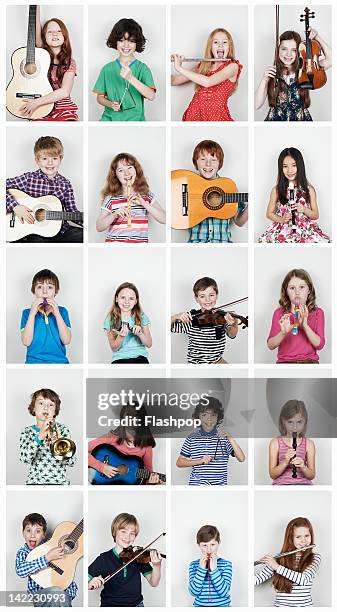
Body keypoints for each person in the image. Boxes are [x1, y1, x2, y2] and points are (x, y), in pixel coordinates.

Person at [6, 136, 83, 242]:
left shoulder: (65, 184)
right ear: (37, 161)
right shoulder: (28, 179)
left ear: (61, 159)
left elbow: (71, 211)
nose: (50, 163)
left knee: (83, 235)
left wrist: (87, 219)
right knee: (37, 242)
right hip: (35, 232)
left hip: (61, 231)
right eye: (45, 159)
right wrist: (15, 207)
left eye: (54, 158)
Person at [179, 140, 248, 243]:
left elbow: (239, 221)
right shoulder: (188, 185)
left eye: (213, 159)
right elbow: (178, 219)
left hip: (223, 244)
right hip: (196, 245)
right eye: (203, 159)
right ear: (195, 162)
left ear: (220, 163)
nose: (208, 164)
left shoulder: (229, 187)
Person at [255, 29, 332, 121]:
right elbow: (256, 105)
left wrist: (317, 37)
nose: (288, 54)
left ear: (299, 52)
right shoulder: (272, 73)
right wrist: (264, 80)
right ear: (278, 50)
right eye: (284, 49)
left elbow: (331, 60)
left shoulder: (306, 70)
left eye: (294, 50)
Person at [88, 513, 162, 607]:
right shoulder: (104, 559)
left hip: (136, 605)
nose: (128, 537)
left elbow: (154, 582)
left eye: (132, 533)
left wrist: (157, 565)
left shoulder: (138, 556)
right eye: (123, 531)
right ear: (114, 532)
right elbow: (85, 582)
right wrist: (90, 583)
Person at [258, 147, 330, 243]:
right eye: (285, 166)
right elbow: (269, 213)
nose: (289, 170)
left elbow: (315, 215)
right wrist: (282, 219)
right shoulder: (276, 190)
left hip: (304, 229)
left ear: (300, 166)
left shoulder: (309, 189)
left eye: (293, 165)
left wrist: (304, 209)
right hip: (283, 229)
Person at [19, 6, 78, 120]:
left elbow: (64, 91)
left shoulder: (70, 62)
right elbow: (35, 23)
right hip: (40, 109)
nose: (54, 34)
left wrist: (36, 102)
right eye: (50, 32)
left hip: (63, 110)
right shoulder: (40, 56)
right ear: (44, 37)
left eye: (59, 31)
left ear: (64, 36)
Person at [171, 28, 242, 121]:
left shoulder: (233, 67)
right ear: (211, 47)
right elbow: (174, 81)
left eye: (224, 42)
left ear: (230, 46)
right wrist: (176, 62)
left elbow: (208, 82)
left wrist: (179, 68)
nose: (220, 45)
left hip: (216, 117)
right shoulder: (203, 66)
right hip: (193, 115)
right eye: (216, 42)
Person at [93, 18, 156, 121]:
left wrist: (131, 78)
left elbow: (151, 96)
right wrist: (110, 104)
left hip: (135, 121)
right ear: (115, 41)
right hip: (109, 120)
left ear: (137, 43)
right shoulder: (107, 69)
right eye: (121, 40)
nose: (126, 45)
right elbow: (100, 98)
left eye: (131, 41)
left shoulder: (143, 69)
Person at [96, 152, 165, 243]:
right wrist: (114, 215)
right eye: (121, 170)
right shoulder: (111, 198)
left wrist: (144, 204)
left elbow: (164, 219)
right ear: (115, 175)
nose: (127, 173)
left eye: (129, 168)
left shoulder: (146, 194)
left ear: (136, 170)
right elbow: (99, 227)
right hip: (114, 246)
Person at [176, 396, 245, 485]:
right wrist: (200, 461)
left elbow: (241, 458)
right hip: (197, 487)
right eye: (204, 415)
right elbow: (179, 462)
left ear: (218, 417)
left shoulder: (224, 438)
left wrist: (230, 438)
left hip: (219, 489)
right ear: (198, 417)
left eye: (213, 415)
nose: (209, 419)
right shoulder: (192, 437)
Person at [88, 404, 163, 484]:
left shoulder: (146, 445)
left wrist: (150, 482)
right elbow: (82, 452)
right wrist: (102, 467)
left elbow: (146, 476)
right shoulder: (112, 437)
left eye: (135, 415)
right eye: (128, 414)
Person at [171, 277, 239, 364]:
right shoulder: (191, 318)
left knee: (230, 373)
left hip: (216, 360)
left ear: (216, 296)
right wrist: (176, 316)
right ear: (196, 299)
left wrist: (234, 324)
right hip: (197, 363)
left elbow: (231, 334)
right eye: (202, 296)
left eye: (211, 295)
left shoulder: (222, 316)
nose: (207, 300)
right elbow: (168, 327)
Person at [254, 517, 321, 607]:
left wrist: (277, 567)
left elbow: (304, 579)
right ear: (290, 539)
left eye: (307, 536)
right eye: (298, 537)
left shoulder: (314, 557)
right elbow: (256, 580)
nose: (304, 540)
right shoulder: (280, 558)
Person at [15, 512, 78, 607]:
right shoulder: (23, 552)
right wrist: (47, 558)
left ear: (44, 534)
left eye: (38, 531)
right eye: (28, 530)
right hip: (40, 597)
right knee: (56, 592)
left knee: (59, 594)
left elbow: (68, 577)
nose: (32, 535)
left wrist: (66, 596)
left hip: (61, 599)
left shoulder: (52, 547)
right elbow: (20, 571)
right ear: (23, 533)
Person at [267, 268, 325, 363]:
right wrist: (283, 333)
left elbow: (320, 345)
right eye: (292, 288)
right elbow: (270, 345)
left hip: (309, 362)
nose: (297, 292)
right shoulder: (279, 313)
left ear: (309, 290)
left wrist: (305, 326)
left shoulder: (318, 313)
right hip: (284, 363)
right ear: (286, 291)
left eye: (302, 287)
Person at [20, 388, 76, 485]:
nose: (46, 408)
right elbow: (25, 459)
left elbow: (72, 462)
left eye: (51, 405)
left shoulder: (63, 429)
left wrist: (59, 441)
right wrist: (39, 437)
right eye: (41, 403)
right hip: (34, 483)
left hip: (60, 484)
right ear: (33, 408)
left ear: (55, 411)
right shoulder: (27, 431)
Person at [21, 269, 72, 364]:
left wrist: (57, 314)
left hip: (59, 362)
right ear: (34, 291)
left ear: (56, 291)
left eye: (50, 287)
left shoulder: (62, 312)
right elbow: (26, 342)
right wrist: (32, 314)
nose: (45, 292)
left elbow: (66, 340)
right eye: (40, 287)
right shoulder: (27, 313)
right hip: (33, 362)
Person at [269, 399, 315, 485]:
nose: (295, 427)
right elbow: (272, 474)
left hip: (303, 486)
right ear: (283, 421)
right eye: (290, 422)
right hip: (281, 486)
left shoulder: (309, 444)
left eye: (299, 422)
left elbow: (312, 475)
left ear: (305, 421)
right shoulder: (275, 443)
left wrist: (303, 467)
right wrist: (285, 462)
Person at [103, 282, 152, 364]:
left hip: (140, 358)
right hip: (119, 359)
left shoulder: (141, 316)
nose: (126, 302)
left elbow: (149, 344)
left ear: (136, 301)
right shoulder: (110, 319)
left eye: (131, 298)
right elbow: (113, 348)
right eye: (123, 297)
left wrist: (140, 334)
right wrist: (121, 336)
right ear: (116, 299)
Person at [189, 524, 232, 607]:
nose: (209, 549)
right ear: (198, 545)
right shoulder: (193, 565)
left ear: (218, 543)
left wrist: (214, 569)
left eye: (212, 545)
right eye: (204, 545)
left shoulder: (226, 564)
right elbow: (194, 592)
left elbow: (223, 592)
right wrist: (201, 569)